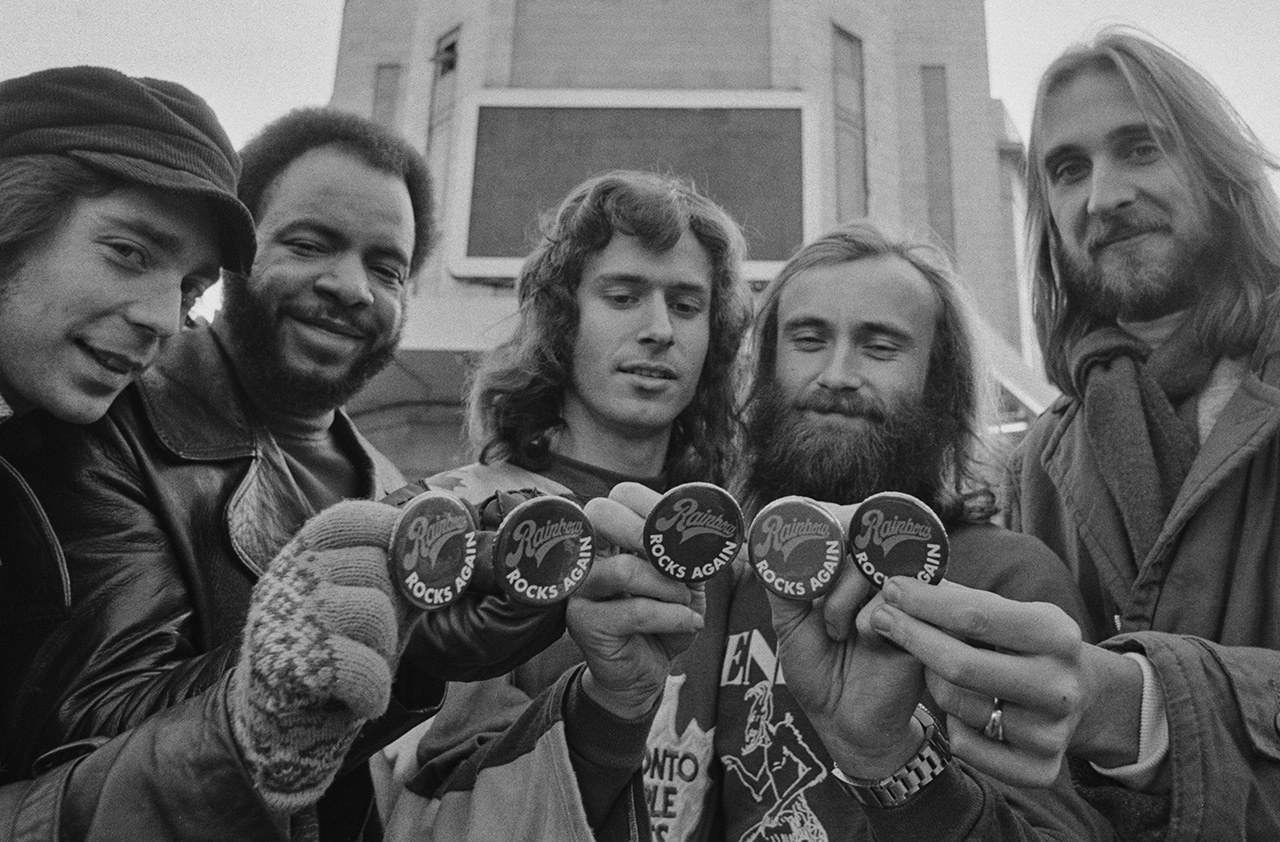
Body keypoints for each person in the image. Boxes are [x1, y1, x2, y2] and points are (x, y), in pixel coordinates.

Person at [1, 107, 566, 840]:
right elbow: (83, 743)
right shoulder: (103, 405)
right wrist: (315, 656)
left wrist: (413, 648)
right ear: (240, 258)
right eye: (309, 244)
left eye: (386, 268)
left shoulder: (387, 484)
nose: (352, 287)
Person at [0, 65, 408, 841]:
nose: (163, 318)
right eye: (128, 251)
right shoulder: (89, 433)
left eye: (190, 288)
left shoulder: (391, 484)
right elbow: (79, 740)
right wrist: (248, 715)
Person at [670, 221, 1113, 841]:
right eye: (808, 340)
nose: (837, 374)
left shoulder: (1006, 578)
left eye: (880, 347)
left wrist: (891, 762)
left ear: (941, 384)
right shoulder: (731, 578)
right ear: (764, 367)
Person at [380, 170, 753, 841]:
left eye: (687, 304)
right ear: (562, 317)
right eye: (623, 296)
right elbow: (445, 807)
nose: (659, 330)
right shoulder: (452, 516)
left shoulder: (733, 541)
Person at [999, 27, 1280, 840]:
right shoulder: (1035, 466)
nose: (1105, 196)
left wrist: (1143, 708)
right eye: (1068, 169)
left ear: (1217, 169)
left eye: (1141, 148)